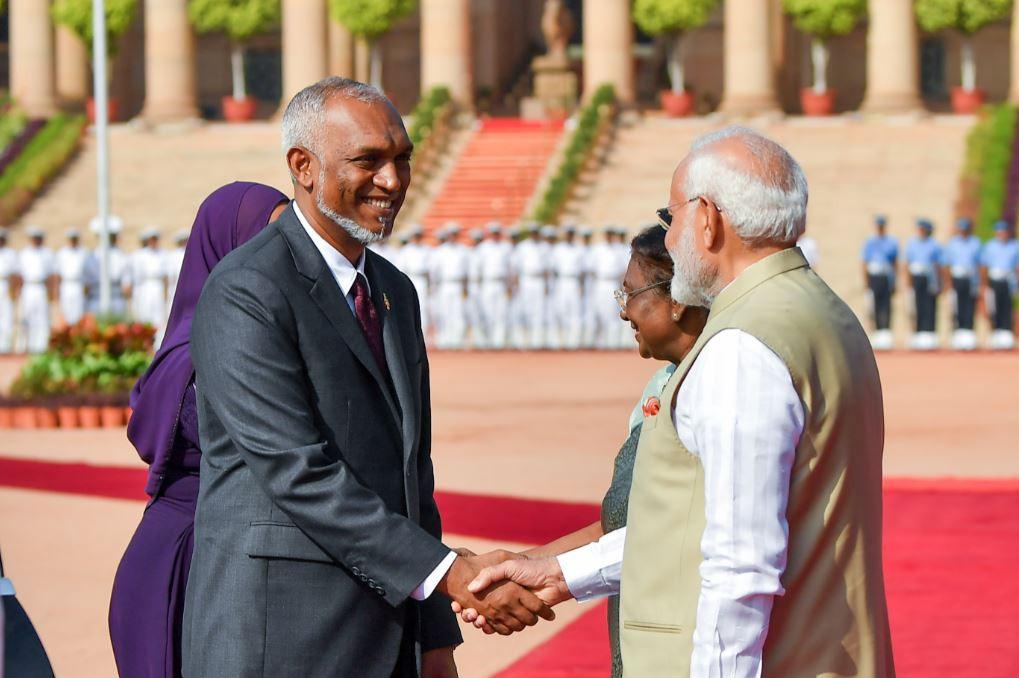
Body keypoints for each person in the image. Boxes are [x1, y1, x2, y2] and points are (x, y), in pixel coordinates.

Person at [463, 127, 895, 678]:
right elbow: (697, 528)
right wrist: (556, 572)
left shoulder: (742, 344)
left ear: (709, 219)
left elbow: (741, 565)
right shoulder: (818, 310)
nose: (667, 241)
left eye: (673, 219)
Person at [182, 78, 551, 678]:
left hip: (388, 636)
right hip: (281, 638)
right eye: (368, 161)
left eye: (402, 158)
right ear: (303, 166)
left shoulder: (392, 290)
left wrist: (436, 638)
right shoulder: (248, 290)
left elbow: (412, 475)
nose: (393, 180)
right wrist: (451, 573)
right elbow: (295, 471)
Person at [458, 224, 708, 677]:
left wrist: (555, 576)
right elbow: (623, 522)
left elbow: (691, 533)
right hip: (642, 634)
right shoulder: (663, 383)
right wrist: (522, 565)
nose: (623, 312)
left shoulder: (717, 387)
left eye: (630, 294)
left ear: (679, 299)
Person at [109, 181, 290, 678]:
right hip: (188, 563)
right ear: (225, 247)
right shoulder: (198, 352)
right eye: (266, 239)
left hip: (224, 558)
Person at [942, 217, 982, 350]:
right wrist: (948, 282)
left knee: (969, 305)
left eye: (965, 229)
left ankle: (968, 333)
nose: (963, 232)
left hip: (970, 278)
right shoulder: (953, 243)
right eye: (961, 229)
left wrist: (980, 282)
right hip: (957, 277)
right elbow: (947, 264)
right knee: (957, 306)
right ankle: (958, 333)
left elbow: (980, 265)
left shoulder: (975, 243)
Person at [861, 215, 898, 350]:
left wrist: (895, 280)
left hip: (886, 275)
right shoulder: (870, 242)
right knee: (875, 305)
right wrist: (866, 281)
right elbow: (864, 262)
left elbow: (894, 263)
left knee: (886, 304)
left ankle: (886, 332)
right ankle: (877, 332)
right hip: (874, 275)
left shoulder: (891, 241)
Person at [15, 227, 55, 353]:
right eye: (34, 238)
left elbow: (51, 275)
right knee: (26, 316)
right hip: (28, 287)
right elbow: (19, 275)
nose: (36, 240)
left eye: (38, 238)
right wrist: (18, 291)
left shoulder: (47, 253)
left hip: (41, 287)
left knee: (42, 317)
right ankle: (26, 345)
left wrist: (52, 291)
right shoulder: (24, 254)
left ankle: (41, 345)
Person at [905, 218, 942, 350]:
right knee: (917, 305)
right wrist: (908, 282)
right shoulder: (912, 243)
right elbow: (907, 264)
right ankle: (918, 332)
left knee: (930, 305)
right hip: (916, 276)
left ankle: (929, 332)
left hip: (929, 277)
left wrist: (939, 282)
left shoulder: (934, 244)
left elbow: (938, 265)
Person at [981, 220, 1018, 350]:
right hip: (994, 279)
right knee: (994, 307)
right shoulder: (990, 246)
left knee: (1007, 307)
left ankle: (1006, 333)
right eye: (999, 232)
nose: (1002, 234)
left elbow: (1017, 267)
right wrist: (984, 284)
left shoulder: (1014, 246)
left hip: (1008, 280)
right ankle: (995, 333)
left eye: (1004, 232)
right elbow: (985, 266)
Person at [131, 229, 169, 342]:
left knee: (159, 316)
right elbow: (136, 276)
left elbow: (165, 276)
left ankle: (158, 342)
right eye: (151, 239)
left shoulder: (162, 254)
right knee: (145, 314)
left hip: (157, 286)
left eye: (155, 239)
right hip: (145, 287)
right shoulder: (140, 255)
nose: (154, 242)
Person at [550, 224, 585, 349]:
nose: (569, 235)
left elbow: (582, 271)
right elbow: (553, 270)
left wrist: (582, 286)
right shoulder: (558, 249)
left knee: (575, 312)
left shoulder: (579, 249)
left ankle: (573, 343)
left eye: (571, 233)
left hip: (574, 281)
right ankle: (561, 342)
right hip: (562, 281)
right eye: (568, 233)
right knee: (561, 311)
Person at [56, 228, 90, 326]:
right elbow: (57, 273)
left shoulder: (84, 252)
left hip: (78, 284)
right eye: (71, 239)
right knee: (66, 311)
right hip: (66, 284)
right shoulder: (62, 253)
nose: (73, 241)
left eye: (74, 238)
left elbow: (87, 272)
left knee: (79, 312)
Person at [0, 228, 17, 353]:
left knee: (6, 315)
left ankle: (5, 346)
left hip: (5, 285)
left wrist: (13, 289)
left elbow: (14, 273)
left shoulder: (10, 253)